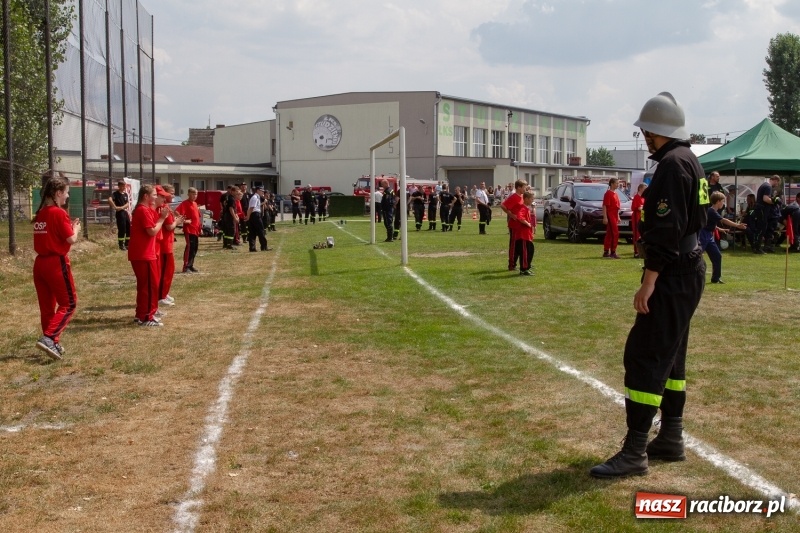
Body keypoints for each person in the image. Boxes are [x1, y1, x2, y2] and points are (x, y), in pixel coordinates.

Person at [590, 92, 707, 479]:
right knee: (672, 357)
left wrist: (649, 281)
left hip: (673, 272)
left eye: (647, 133)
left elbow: (667, 229)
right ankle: (670, 437)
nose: (645, 139)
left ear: (658, 131)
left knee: (645, 356)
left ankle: (635, 450)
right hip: (688, 268)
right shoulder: (690, 159)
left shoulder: (672, 165)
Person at [33, 173, 80, 359]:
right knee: (69, 303)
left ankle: (52, 342)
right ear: (58, 193)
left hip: (40, 264)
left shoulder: (41, 213)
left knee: (47, 307)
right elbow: (71, 239)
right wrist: (75, 228)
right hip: (55, 263)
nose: (67, 196)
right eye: (66, 192)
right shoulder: (59, 213)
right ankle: (49, 338)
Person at [128, 184, 170, 327]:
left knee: (145, 286)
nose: (156, 197)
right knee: (150, 286)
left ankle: (141, 314)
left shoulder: (144, 210)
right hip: (144, 254)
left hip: (143, 253)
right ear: (146, 196)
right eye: (154, 195)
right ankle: (147, 316)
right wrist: (162, 219)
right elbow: (152, 231)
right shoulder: (143, 210)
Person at [700, 191, 746, 284]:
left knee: (717, 256)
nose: (724, 203)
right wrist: (737, 225)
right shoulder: (711, 211)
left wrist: (720, 229)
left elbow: (710, 224)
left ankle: (716, 279)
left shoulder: (713, 211)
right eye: (723, 201)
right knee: (697, 256)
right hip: (703, 235)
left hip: (709, 236)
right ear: (718, 202)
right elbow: (723, 220)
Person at [156, 185, 183, 308]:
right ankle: (161, 296)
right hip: (164, 245)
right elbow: (168, 226)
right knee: (165, 271)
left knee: (169, 270)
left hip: (167, 243)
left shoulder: (166, 207)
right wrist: (176, 222)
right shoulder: (164, 208)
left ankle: (164, 293)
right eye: (171, 193)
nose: (172, 196)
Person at [501, 179, 527, 270]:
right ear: (519, 187)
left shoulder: (522, 196)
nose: (525, 188)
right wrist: (511, 215)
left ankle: (521, 264)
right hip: (514, 225)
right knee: (514, 245)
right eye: (524, 187)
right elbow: (503, 205)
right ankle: (511, 264)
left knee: (520, 245)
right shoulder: (514, 197)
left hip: (521, 225)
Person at [753, 175, 782, 254]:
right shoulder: (768, 186)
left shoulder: (764, 185)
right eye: (777, 183)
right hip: (762, 209)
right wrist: (774, 201)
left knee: (761, 228)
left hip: (761, 209)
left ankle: (757, 246)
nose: (777, 184)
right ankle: (757, 248)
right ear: (775, 180)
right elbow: (765, 199)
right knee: (761, 228)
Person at [175, 187, 201, 273]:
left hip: (195, 229)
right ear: (188, 194)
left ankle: (190, 265)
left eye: (196, 194)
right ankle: (186, 267)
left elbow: (197, 217)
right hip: (189, 229)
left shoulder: (195, 204)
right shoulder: (185, 203)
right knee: (190, 247)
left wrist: (200, 228)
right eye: (193, 194)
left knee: (195, 248)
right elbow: (177, 212)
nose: (195, 196)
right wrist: (185, 221)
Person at [513, 191, 536, 276]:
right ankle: (523, 269)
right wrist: (528, 224)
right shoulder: (523, 208)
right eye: (531, 199)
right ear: (526, 199)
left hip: (527, 235)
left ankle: (527, 267)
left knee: (530, 250)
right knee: (524, 253)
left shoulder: (526, 208)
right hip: (523, 236)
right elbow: (520, 217)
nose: (532, 201)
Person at [602, 178, 622, 258]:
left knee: (610, 233)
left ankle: (606, 251)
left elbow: (617, 207)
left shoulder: (616, 194)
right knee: (615, 233)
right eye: (616, 183)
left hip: (614, 215)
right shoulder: (608, 193)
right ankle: (613, 252)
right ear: (612, 184)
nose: (618, 185)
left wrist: (618, 216)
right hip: (610, 214)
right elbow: (605, 206)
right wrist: (605, 217)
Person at [108, 180, 130, 250]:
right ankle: (121, 244)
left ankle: (127, 243)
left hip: (125, 212)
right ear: (119, 186)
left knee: (128, 227)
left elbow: (127, 204)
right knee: (122, 228)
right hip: (120, 214)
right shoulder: (115, 194)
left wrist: (122, 207)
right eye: (122, 186)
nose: (124, 187)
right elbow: (110, 200)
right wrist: (115, 207)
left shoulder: (125, 194)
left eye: (124, 186)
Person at [247, 186, 270, 251]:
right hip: (255, 215)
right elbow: (251, 208)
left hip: (254, 215)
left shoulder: (257, 197)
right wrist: (248, 216)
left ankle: (252, 248)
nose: (263, 192)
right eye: (261, 191)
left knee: (252, 231)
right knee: (261, 231)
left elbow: (255, 206)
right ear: (257, 190)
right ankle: (264, 246)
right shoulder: (255, 197)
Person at [631, 183, 646, 258]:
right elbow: (634, 207)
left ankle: (641, 251)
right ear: (640, 189)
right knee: (637, 234)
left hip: (642, 216)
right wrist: (640, 208)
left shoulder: (643, 197)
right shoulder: (636, 197)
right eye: (644, 189)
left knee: (642, 233)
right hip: (636, 216)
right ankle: (636, 252)